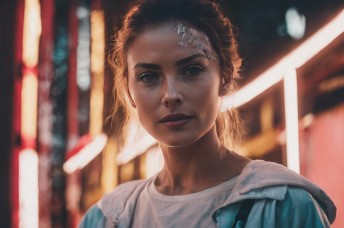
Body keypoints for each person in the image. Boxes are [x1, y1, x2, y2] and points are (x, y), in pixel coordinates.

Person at [79, 0, 336, 227]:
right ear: (129, 90)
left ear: (224, 77)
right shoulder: (108, 218)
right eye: (148, 76)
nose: (170, 94)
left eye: (191, 70)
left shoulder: (284, 206)